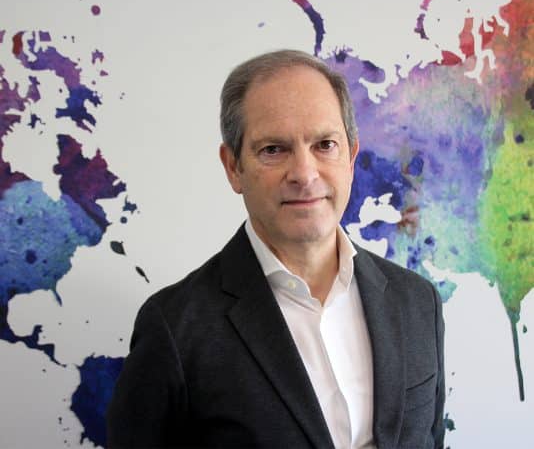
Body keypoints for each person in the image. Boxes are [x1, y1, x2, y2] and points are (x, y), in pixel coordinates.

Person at [107, 49, 445, 449]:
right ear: (233, 167)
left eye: (324, 144)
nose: (304, 173)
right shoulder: (175, 329)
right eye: (273, 150)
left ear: (351, 157)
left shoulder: (417, 302)